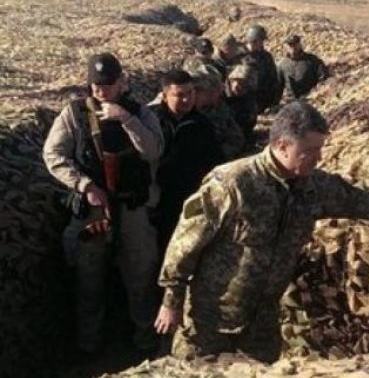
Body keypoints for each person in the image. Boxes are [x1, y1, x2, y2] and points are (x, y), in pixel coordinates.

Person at [153, 101, 369, 363]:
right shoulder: (232, 184)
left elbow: (365, 201)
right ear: (283, 146)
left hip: (262, 321)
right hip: (210, 318)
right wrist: (171, 301)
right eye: (310, 150)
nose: (319, 158)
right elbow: (184, 245)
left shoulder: (314, 187)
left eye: (320, 149)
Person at [43, 52, 163, 354]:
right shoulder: (74, 114)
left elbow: (152, 151)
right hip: (93, 209)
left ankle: (145, 342)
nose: (101, 91)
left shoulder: (140, 113)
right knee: (88, 278)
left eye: (108, 84)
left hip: (132, 206)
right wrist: (85, 186)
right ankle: (89, 346)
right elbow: (53, 155)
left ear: (121, 82)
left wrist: (126, 119)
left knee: (141, 275)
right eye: (96, 85)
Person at [147, 69, 225, 252]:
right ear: (165, 96)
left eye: (190, 93)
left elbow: (214, 164)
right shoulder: (150, 120)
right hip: (152, 198)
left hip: (186, 201)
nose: (186, 99)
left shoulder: (202, 125)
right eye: (179, 95)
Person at [192, 70, 245, 160]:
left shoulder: (219, 108)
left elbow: (237, 138)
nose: (219, 93)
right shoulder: (181, 111)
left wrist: (219, 155)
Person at [275, 34, 329, 104]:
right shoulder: (283, 65)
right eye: (290, 45)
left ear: (300, 44)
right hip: (291, 102)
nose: (293, 47)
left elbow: (324, 78)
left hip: (310, 101)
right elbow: (278, 88)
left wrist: (315, 94)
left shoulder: (312, 60)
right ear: (286, 47)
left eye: (295, 44)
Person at [244, 25, 278, 114]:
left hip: (263, 102)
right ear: (253, 41)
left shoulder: (266, 56)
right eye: (261, 41)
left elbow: (273, 80)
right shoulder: (240, 57)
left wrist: (273, 102)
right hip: (245, 103)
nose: (262, 44)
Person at [224, 64, 259, 147]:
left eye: (246, 86)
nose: (242, 88)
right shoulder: (219, 96)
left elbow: (251, 120)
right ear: (231, 81)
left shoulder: (248, 97)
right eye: (240, 84)